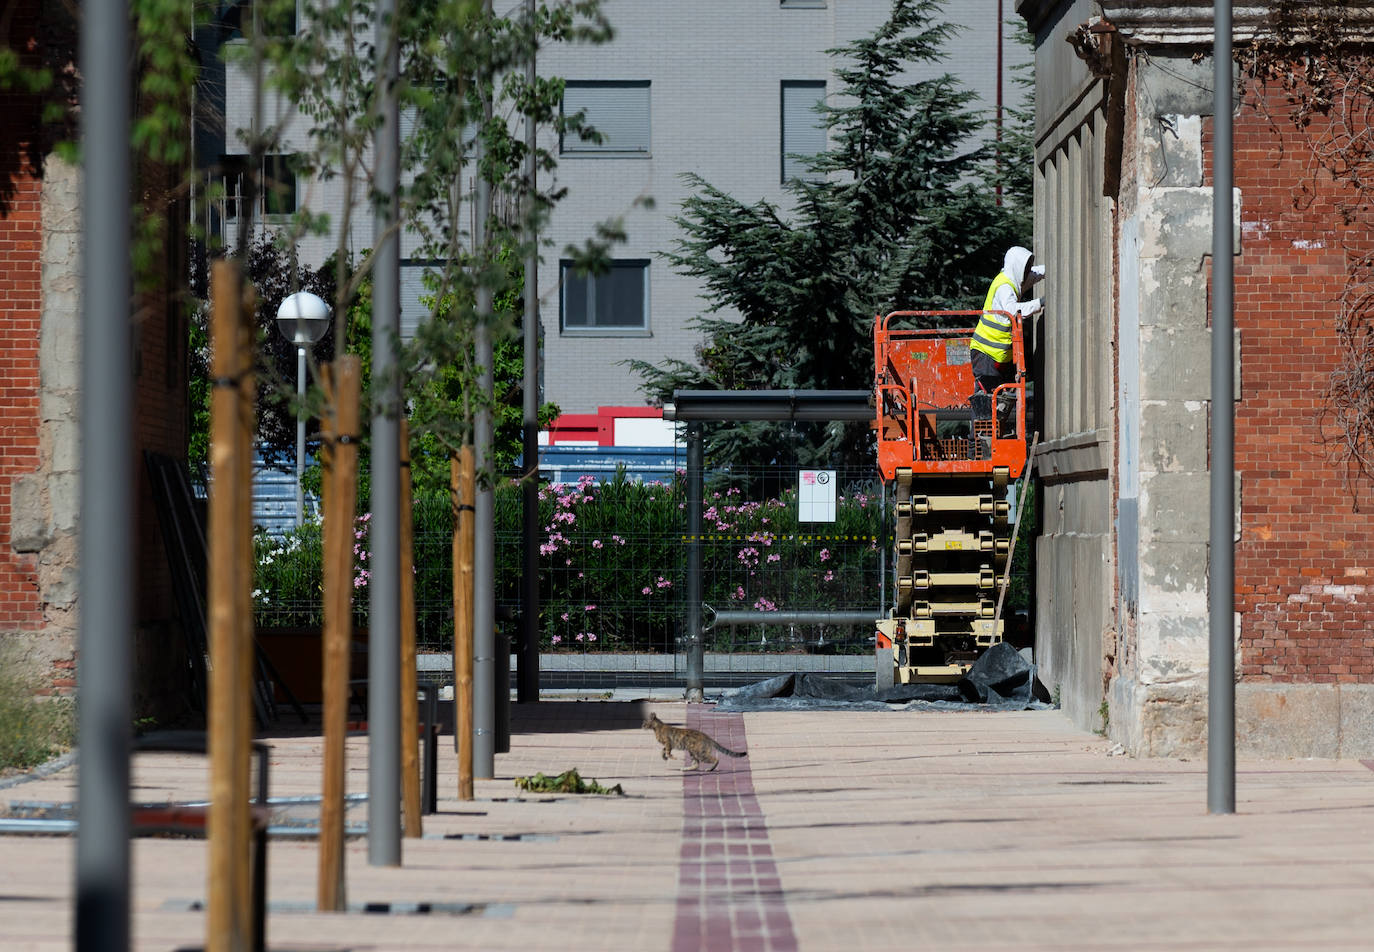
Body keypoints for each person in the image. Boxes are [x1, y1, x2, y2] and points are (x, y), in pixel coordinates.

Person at [969, 245, 1044, 395]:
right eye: (1026, 266)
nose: (1029, 270)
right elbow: (1013, 310)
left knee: (996, 402)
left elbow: (1036, 273)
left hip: (995, 354)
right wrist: (1040, 302)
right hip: (986, 352)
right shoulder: (1005, 287)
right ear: (1017, 266)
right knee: (987, 403)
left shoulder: (1014, 280)